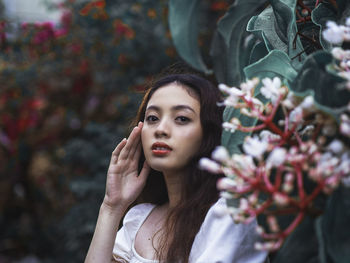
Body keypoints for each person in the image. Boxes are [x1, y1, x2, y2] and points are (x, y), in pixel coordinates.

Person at [85, 72, 268, 263]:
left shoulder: (228, 213)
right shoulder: (139, 219)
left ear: (209, 133)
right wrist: (112, 206)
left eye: (181, 118)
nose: (161, 129)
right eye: (153, 118)